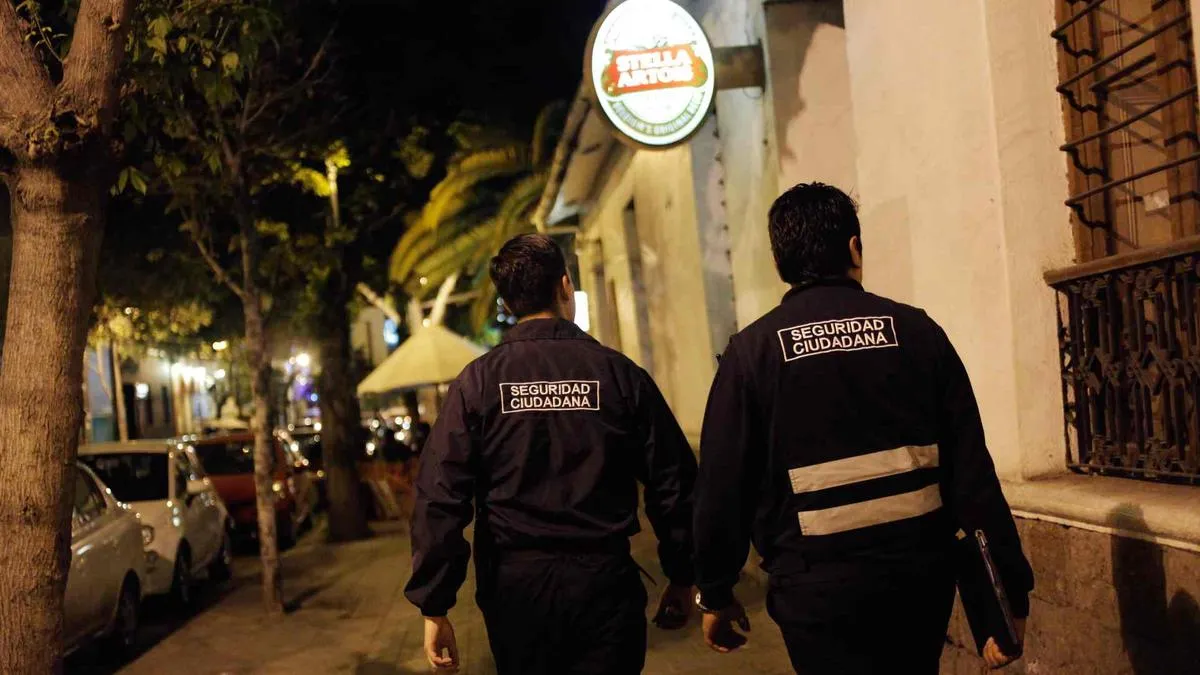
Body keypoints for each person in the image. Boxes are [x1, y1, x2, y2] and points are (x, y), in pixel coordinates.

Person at [692, 183, 1035, 674]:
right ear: (854, 247)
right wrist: (1004, 599)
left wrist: (716, 592)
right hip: (917, 585)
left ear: (781, 262)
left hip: (814, 594)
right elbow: (972, 477)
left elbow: (722, 487)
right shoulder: (918, 333)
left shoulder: (752, 354)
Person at [406, 233, 697, 674]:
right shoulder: (618, 375)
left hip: (516, 593)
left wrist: (435, 605)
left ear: (506, 303)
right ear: (565, 287)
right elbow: (672, 481)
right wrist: (684, 573)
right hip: (604, 585)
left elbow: (440, 497)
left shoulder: (478, 384)